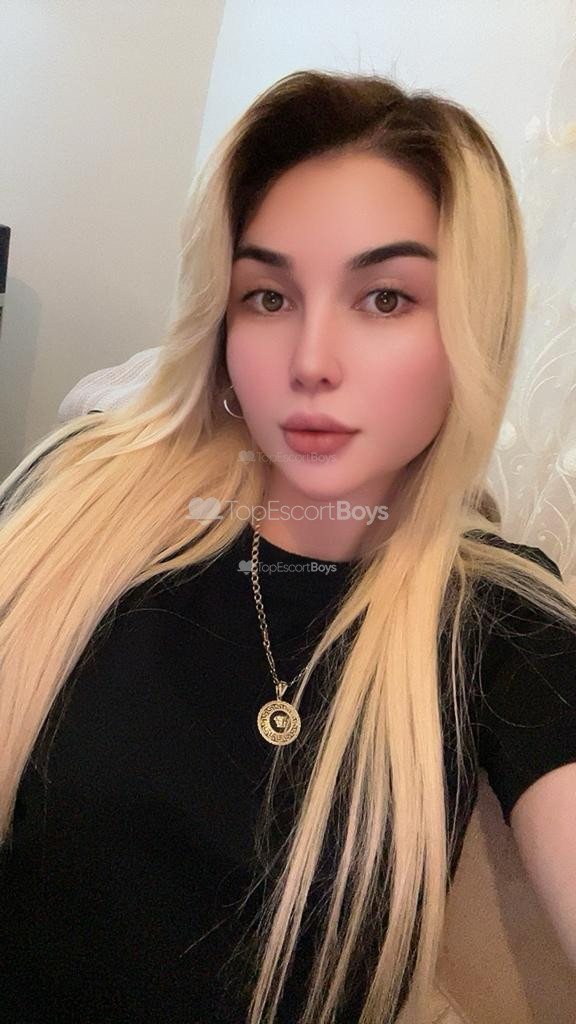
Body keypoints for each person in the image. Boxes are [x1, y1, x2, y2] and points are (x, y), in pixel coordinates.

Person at [0, 69, 575, 1024]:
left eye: (384, 299)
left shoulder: (497, 618)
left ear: (474, 328)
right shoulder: (85, 501)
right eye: (268, 297)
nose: (310, 362)